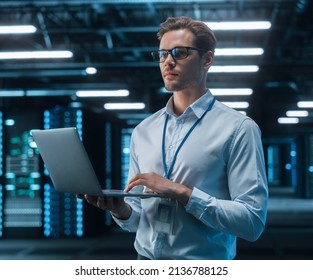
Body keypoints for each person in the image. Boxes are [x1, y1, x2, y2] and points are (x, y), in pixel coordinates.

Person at [81, 16, 268, 260]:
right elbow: (137, 218)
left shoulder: (239, 129)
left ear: (207, 59)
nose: (168, 61)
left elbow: (252, 222)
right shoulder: (143, 131)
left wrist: (183, 193)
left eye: (180, 52)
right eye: (162, 54)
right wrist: (122, 210)